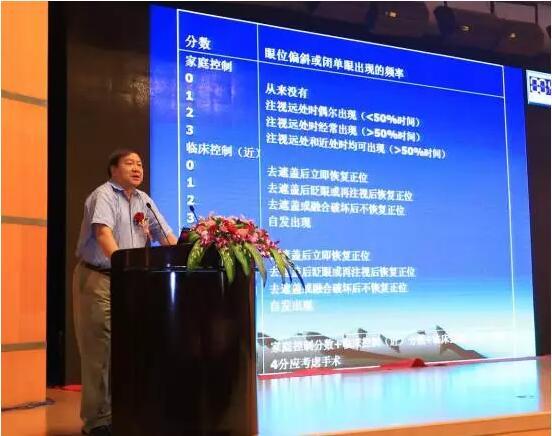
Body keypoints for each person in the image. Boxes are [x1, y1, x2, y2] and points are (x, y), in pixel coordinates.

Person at [73, 149, 177, 436]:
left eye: (140, 164)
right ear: (113, 169)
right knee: (100, 351)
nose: (137, 168)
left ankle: (126, 413)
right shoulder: (104, 195)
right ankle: (97, 422)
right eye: (130, 163)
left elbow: (165, 236)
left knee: (132, 348)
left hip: (131, 282)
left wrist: (186, 255)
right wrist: (122, 267)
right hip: (100, 278)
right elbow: (102, 234)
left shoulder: (144, 200)